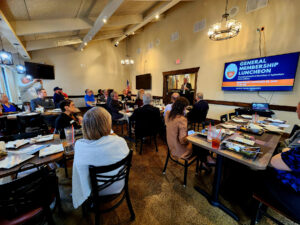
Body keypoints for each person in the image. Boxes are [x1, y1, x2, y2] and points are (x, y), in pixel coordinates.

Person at [72, 107, 130, 208]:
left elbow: (79, 172)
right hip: (119, 186)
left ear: (85, 126)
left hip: (96, 192)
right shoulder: (120, 141)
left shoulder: (80, 146)